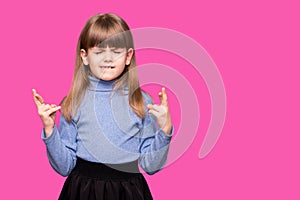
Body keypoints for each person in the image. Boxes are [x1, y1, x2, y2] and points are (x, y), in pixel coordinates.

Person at [32, 13, 174, 200]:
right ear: (84, 56)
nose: (108, 59)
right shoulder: (73, 102)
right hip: (82, 191)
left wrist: (165, 129)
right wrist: (50, 130)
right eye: (99, 52)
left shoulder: (141, 102)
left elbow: (150, 166)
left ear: (128, 56)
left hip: (128, 192)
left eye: (116, 51)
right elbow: (64, 167)